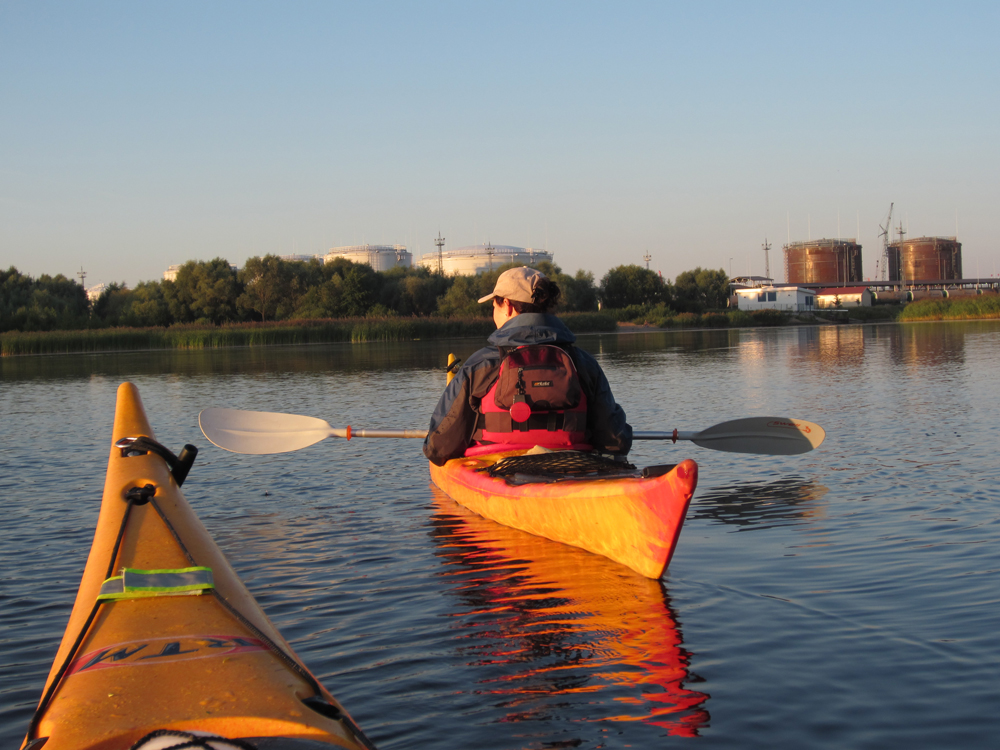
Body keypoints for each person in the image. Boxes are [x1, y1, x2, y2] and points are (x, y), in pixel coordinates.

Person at [423, 266, 632, 466]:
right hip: (571, 467)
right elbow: (616, 441)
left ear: (508, 305)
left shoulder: (481, 364)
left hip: (493, 469)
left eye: (494, 306)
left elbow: (440, 447)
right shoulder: (584, 363)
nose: (492, 313)